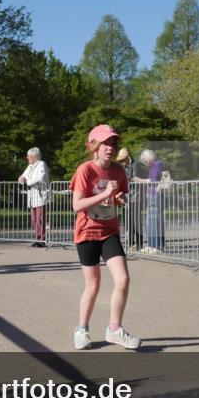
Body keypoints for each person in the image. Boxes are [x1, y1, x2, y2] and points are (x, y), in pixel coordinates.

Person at [70, 124, 141, 350]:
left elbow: (117, 197)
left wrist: (117, 198)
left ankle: (114, 329)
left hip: (109, 232)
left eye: (113, 144)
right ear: (93, 146)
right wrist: (105, 194)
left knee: (123, 279)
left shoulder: (119, 171)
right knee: (93, 285)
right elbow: (77, 205)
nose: (110, 148)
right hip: (87, 232)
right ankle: (82, 329)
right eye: (105, 144)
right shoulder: (85, 170)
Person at [18, 147, 50, 247]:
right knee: (34, 219)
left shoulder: (41, 164)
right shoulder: (30, 166)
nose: (27, 158)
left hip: (40, 196)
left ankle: (42, 239)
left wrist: (28, 182)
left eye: (29, 156)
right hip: (32, 197)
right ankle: (37, 237)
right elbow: (22, 177)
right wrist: (21, 179)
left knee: (40, 218)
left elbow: (41, 177)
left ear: (35, 156)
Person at [137, 149, 166, 255]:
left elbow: (154, 180)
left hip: (155, 195)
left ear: (149, 157)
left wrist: (141, 181)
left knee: (155, 221)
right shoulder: (155, 165)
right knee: (150, 222)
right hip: (152, 195)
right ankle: (151, 244)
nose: (145, 163)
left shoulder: (157, 164)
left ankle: (156, 246)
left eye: (145, 160)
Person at [115, 148, 143, 252]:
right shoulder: (123, 166)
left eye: (122, 159)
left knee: (136, 220)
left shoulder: (135, 164)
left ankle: (139, 243)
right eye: (120, 160)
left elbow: (135, 179)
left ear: (127, 157)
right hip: (126, 196)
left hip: (136, 196)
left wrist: (124, 180)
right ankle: (130, 242)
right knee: (128, 220)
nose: (121, 161)